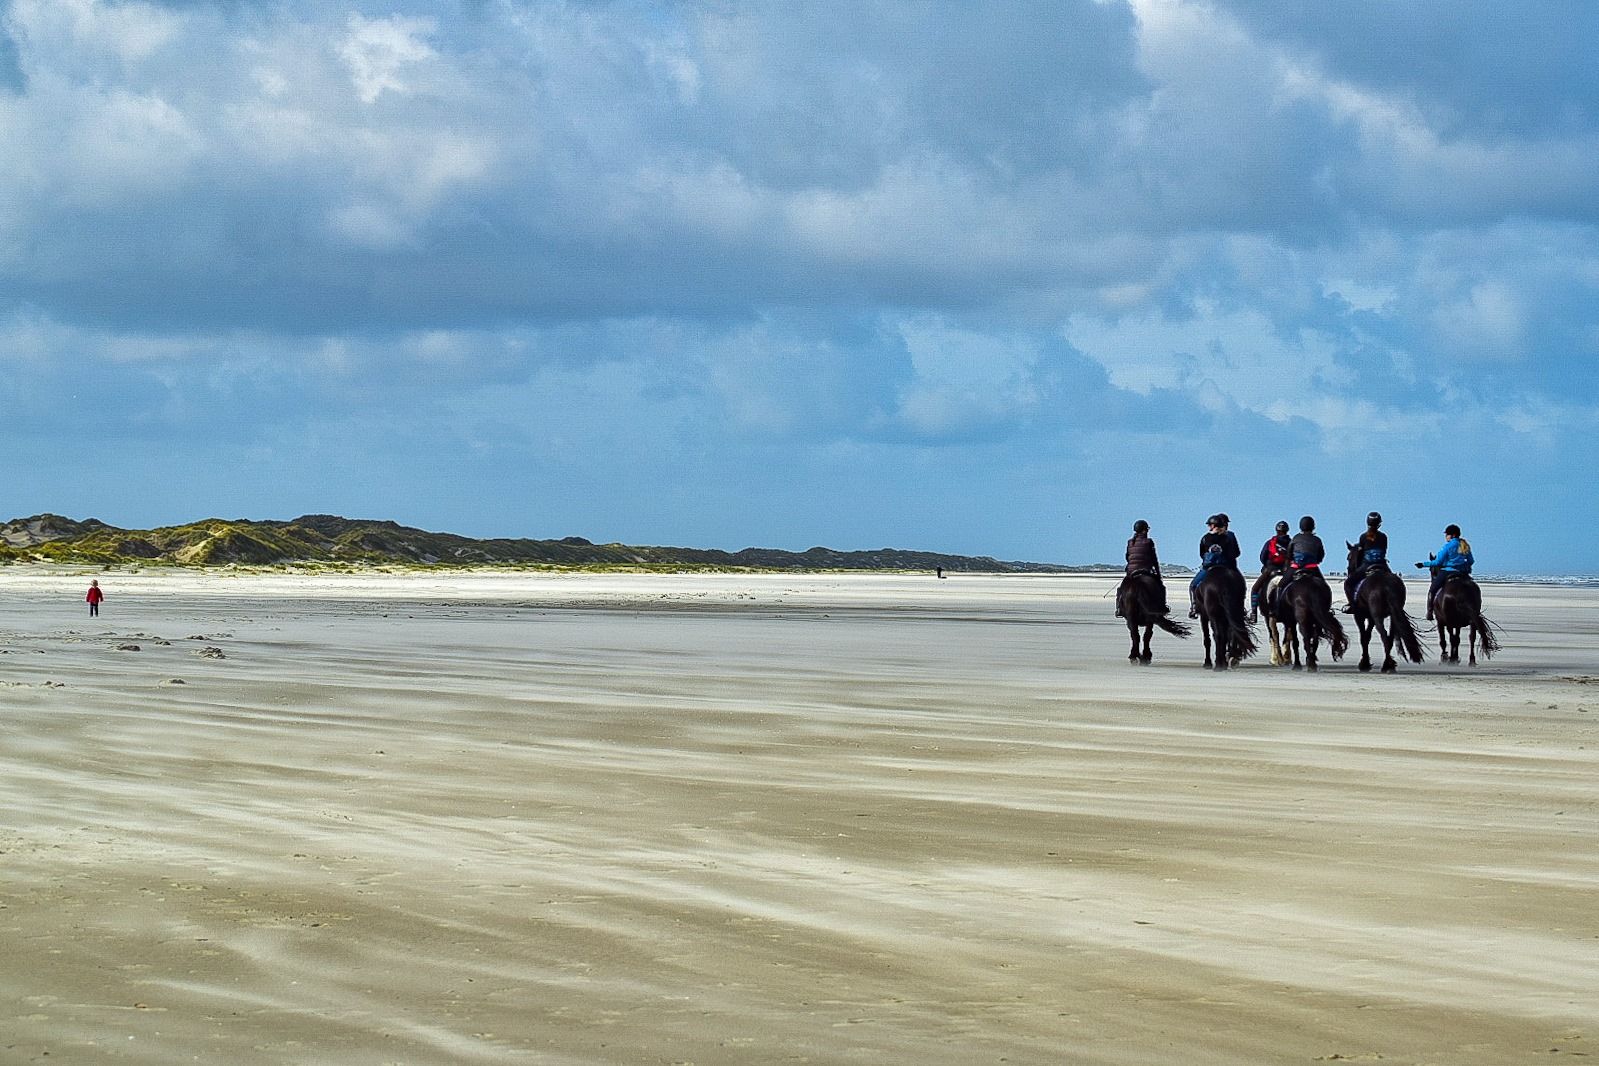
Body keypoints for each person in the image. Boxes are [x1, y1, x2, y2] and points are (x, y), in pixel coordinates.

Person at [1416, 523, 1474, 621]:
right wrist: (1463, 566)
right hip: (1462, 573)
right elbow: (1471, 561)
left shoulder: (1447, 546)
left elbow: (1438, 562)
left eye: (1447, 535)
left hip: (1448, 571)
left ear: (1453, 535)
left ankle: (1430, 612)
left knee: (1432, 590)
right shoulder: (1465, 545)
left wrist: (1423, 564)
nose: (1446, 537)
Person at [1189, 513, 1241, 618]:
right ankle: (1240, 607)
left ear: (1212, 525)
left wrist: (1208, 561)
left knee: (1193, 585)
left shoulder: (1205, 537)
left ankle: (1194, 608)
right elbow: (1235, 553)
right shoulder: (1228, 537)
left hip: (1209, 567)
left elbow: (1201, 554)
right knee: (1239, 584)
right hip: (1227, 566)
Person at [1342, 511, 1389, 612]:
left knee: (1348, 584)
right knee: (1395, 583)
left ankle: (1352, 605)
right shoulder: (1384, 537)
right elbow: (1384, 551)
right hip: (1382, 565)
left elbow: (1361, 554)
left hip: (1367, 566)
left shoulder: (1363, 537)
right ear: (1379, 523)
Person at [1117, 519, 1164, 616]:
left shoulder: (1130, 542)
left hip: (1132, 571)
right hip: (1145, 570)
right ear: (1144, 530)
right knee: (1161, 587)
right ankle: (1162, 607)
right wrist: (1158, 574)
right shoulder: (1149, 542)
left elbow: (1127, 557)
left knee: (1121, 589)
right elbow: (1154, 558)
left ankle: (1119, 608)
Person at [1251, 520, 1291, 621]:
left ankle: (1254, 612)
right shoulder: (1291, 543)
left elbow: (1262, 557)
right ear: (1287, 530)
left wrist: (1267, 566)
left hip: (1271, 569)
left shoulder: (1270, 542)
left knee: (1255, 589)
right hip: (1286, 572)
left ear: (1277, 530)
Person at [1280, 515, 1326, 595]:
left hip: (1296, 567)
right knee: (1324, 588)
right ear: (1313, 527)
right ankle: (1326, 607)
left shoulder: (1296, 538)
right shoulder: (1317, 540)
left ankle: (1277, 606)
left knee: (1280, 586)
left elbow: (1289, 554)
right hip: (1312, 567)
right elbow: (1321, 555)